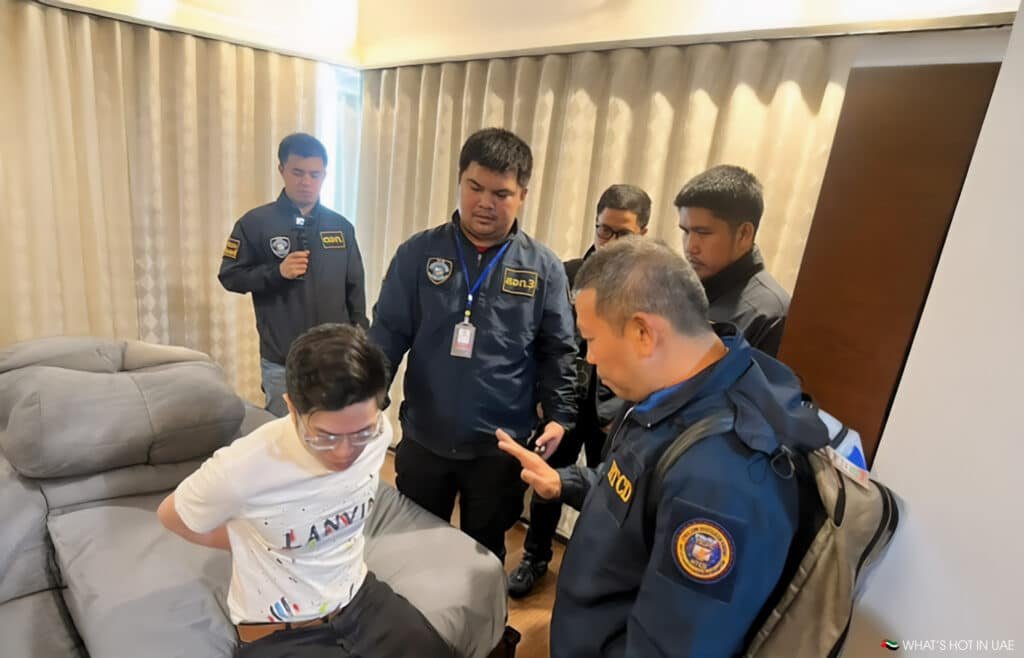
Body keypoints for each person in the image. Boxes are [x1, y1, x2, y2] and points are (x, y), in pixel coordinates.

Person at [498, 238, 822, 658]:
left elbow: (674, 647)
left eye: (591, 340)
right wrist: (564, 481)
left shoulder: (723, 477)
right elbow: (636, 491)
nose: (590, 359)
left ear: (643, 333)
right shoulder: (677, 394)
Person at [157, 324, 456, 658]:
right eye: (325, 436)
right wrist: (243, 542)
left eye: (361, 433)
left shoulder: (379, 434)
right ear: (291, 407)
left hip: (359, 599)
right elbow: (171, 515)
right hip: (281, 630)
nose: (345, 453)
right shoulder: (242, 468)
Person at [368, 127, 577, 563]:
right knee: (414, 549)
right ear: (460, 181)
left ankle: (481, 631)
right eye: (474, 187)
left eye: (501, 193)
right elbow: (387, 334)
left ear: (522, 194)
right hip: (426, 437)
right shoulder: (419, 254)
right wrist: (369, 398)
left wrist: (559, 415)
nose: (485, 202)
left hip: (498, 448)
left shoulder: (544, 268)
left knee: (483, 555)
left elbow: (558, 350)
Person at [507, 183, 651, 598]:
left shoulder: (649, 287)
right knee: (550, 482)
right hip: (563, 404)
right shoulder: (565, 273)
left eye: (622, 234)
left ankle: (592, 568)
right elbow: (542, 343)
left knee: (608, 495)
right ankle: (535, 557)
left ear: (642, 233)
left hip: (618, 411)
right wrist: (541, 397)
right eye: (603, 230)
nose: (608, 241)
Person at [219, 133, 368, 417]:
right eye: (297, 172)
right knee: (283, 437)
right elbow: (230, 276)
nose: (306, 182)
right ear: (282, 170)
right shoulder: (255, 223)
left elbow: (355, 290)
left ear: (324, 174)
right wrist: (276, 272)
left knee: (328, 433)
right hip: (281, 359)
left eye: (315, 174)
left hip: (333, 357)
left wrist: (360, 339)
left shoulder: (341, 227)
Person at [675, 165, 790, 356]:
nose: (690, 246)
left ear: (744, 234)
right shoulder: (683, 286)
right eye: (685, 231)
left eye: (703, 232)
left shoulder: (771, 315)